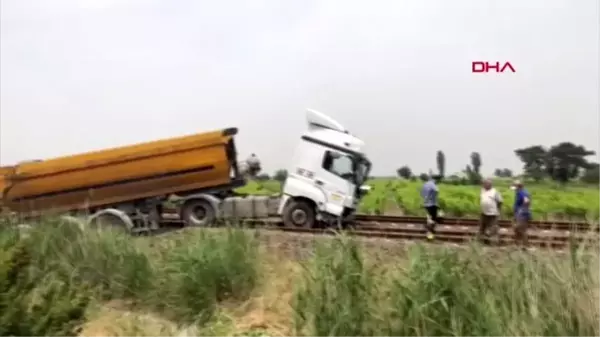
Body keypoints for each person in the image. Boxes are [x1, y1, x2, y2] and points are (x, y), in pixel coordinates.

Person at [478, 178, 503, 245]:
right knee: (482, 227)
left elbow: (500, 202)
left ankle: (493, 243)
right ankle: (482, 241)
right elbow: (481, 199)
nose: (484, 185)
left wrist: (498, 211)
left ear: (490, 185)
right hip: (484, 213)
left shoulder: (495, 192)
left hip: (493, 213)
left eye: (486, 184)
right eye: (484, 184)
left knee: (492, 228)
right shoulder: (482, 190)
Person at [421, 174, 442, 240]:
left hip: (426, 204)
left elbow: (422, 193)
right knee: (432, 219)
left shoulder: (425, 184)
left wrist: (426, 198)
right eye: (438, 181)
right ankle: (430, 233)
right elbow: (436, 190)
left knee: (429, 218)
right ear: (435, 179)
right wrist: (432, 197)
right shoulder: (432, 184)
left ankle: (429, 232)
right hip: (432, 204)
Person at [511, 179, 531, 247]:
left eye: (515, 186)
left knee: (520, 229)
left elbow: (527, 202)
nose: (514, 189)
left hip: (522, 215)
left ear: (518, 186)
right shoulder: (518, 192)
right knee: (517, 229)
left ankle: (525, 245)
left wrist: (521, 210)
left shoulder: (523, 193)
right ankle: (517, 244)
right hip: (519, 214)